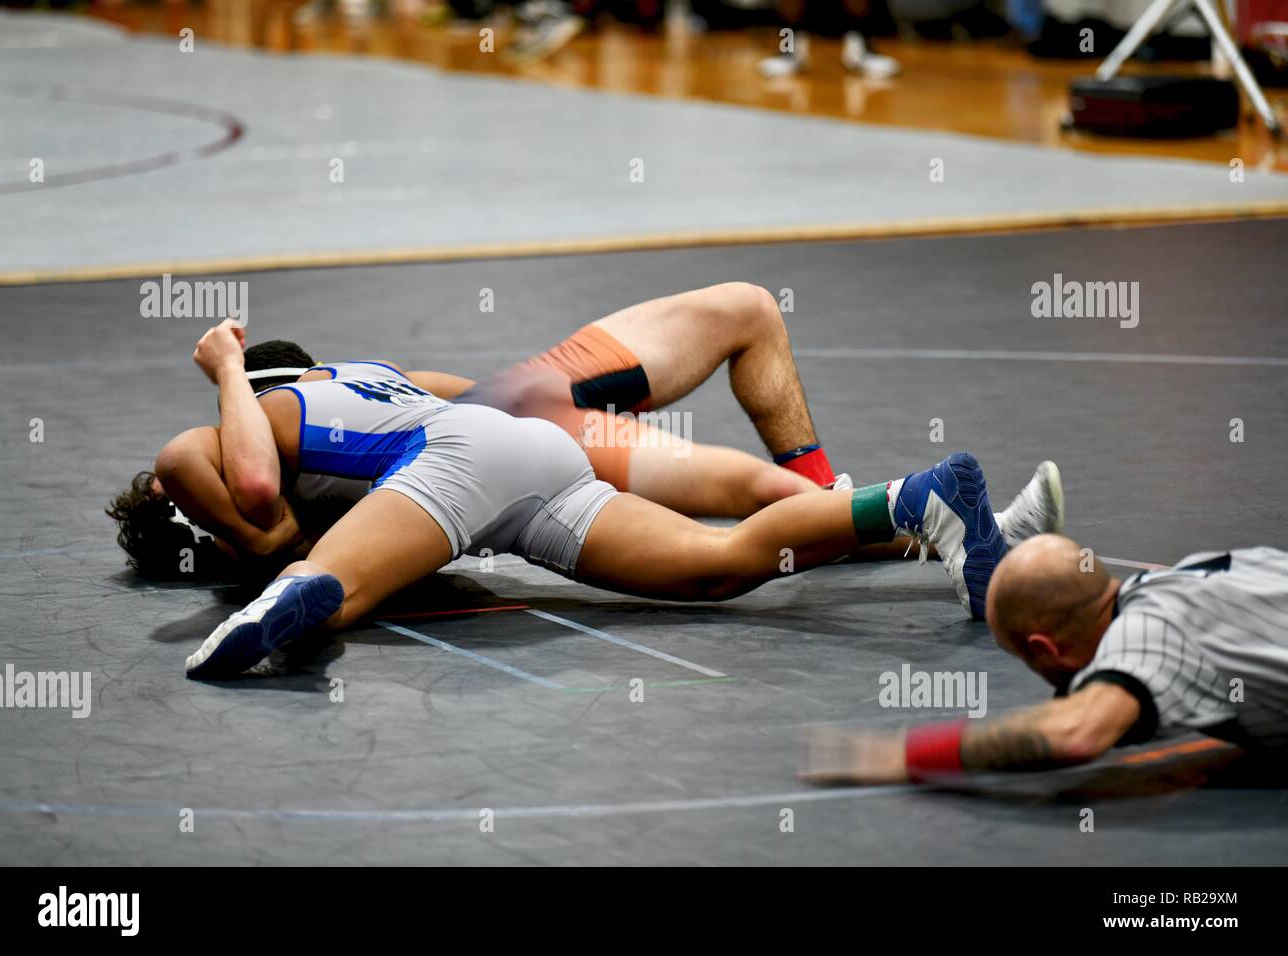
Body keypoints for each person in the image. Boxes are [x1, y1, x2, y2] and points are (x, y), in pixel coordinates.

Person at [169, 319, 1020, 679]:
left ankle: (272, 614)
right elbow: (494, 403)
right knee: (718, 565)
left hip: (455, 468)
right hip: (532, 459)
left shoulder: (236, 425)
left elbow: (251, 491)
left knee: (334, 591)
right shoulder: (378, 376)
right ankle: (918, 499)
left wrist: (224, 373)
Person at [110, 284, 1063, 580]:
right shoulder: (306, 423)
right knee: (747, 333)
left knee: (736, 524)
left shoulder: (282, 437)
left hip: (508, 415)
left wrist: (231, 376)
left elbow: (443, 413)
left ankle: (916, 520)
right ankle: (934, 525)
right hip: (515, 406)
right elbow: (454, 403)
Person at [802, 533, 1288, 786]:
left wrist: (907, 754)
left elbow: (1073, 733)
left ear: (1044, 650)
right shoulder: (1177, 580)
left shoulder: (1149, 638)